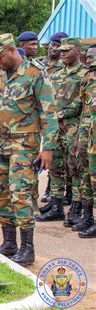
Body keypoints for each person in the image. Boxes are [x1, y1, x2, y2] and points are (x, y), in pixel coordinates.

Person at [0, 33, 58, 266]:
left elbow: (48, 113)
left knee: (21, 195)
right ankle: (9, 243)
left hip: (24, 147)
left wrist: (48, 148)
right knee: (1, 193)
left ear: (12, 51)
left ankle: (27, 249)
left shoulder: (35, 74)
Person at [37, 38, 86, 222]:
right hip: (56, 129)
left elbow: (81, 102)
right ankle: (56, 206)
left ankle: (76, 208)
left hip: (75, 128)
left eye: (67, 50)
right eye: (61, 50)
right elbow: (49, 99)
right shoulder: (56, 74)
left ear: (78, 51)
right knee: (55, 167)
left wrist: (59, 115)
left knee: (75, 169)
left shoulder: (84, 75)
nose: (63, 53)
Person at [37, 32, 68, 204]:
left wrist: (59, 118)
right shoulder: (40, 64)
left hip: (55, 118)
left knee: (54, 156)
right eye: (52, 44)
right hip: (38, 117)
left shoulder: (63, 67)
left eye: (58, 46)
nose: (54, 48)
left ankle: (51, 190)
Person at [77, 45, 96, 238]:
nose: (89, 60)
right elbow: (84, 109)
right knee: (89, 177)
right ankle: (88, 217)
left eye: (92, 57)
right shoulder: (87, 78)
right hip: (88, 134)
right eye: (88, 57)